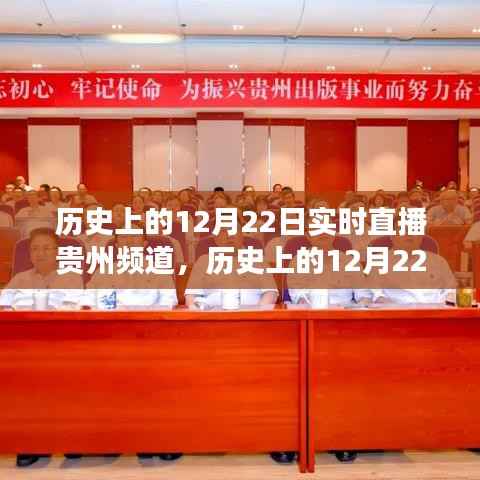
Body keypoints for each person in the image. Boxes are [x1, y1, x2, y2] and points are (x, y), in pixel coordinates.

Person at [0, 228, 85, 468]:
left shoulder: (71, 277)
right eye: (35, 249)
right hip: (26, 345)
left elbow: (69, 311)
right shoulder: (21, 279)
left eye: (47, 248)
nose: (41, 253)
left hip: (63, 344)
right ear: (29, 254)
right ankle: (32, 441)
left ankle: (69, 436)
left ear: (58, 252)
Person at [185, 227, 278, 309]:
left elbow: (271, 293)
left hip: (251, 316)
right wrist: (199, 316)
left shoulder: (258, 260)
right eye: (223, 231)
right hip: (212, 317)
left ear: (242, 235)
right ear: (216, 238)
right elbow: (191, 296)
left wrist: (257, 315)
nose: (230, 235)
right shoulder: (204, 261)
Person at [364, 234, 456, 304]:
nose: (409, 234)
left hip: (437, 316)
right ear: (392, 236)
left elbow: (451, 290)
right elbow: (374, 294)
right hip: (397, 317)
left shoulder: (438, 261)